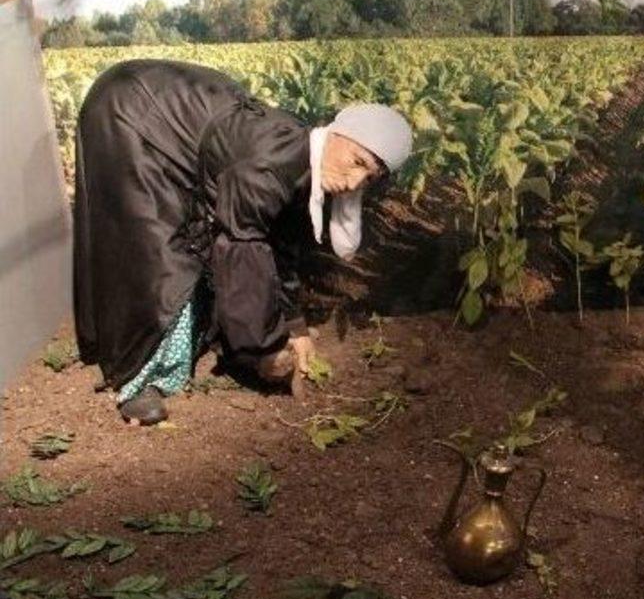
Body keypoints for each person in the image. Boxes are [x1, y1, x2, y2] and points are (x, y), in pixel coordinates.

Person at [72, 59, 413, 426]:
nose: (354, 182)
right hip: (131, 112)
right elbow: (242, 250)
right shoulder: (269, 165)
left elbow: (279, 243)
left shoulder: (303, 159)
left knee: (200, 239)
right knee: (158, 249)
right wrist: (265, 348)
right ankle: (140, 378)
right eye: (357, 161)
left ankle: (207, 335)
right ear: (337, 134)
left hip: (166, 111)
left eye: (368, 177)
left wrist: (293, 324)